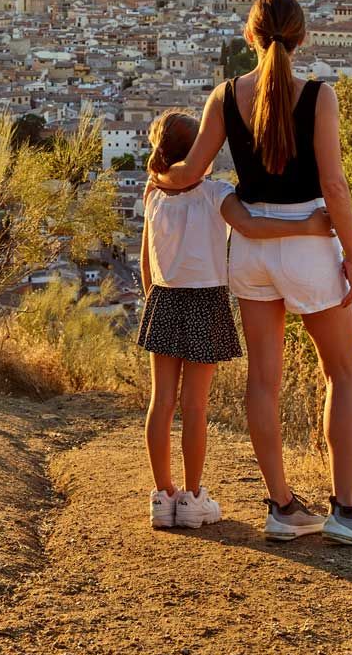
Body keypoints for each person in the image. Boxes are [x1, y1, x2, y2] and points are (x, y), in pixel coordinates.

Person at [153, 0, 352, 546]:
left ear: (250, 35)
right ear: (301, 37)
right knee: (341, 375)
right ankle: (345, 509)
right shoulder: (319, 97)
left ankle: (281, 505)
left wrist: (157, 176)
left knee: (263, 380)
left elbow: (190, 172)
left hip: (252, 245)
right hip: (307, 239)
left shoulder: (224, 96)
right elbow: (334, 185)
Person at [137, 107, 334, 531]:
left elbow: (144, 260)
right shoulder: (215, 193)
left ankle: (162, 496)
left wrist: (154, 299)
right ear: (200, 153)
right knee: (194, 406)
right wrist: (308, 225)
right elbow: (252, 226)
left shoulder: (152, 191)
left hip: (163, 298)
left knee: (161, 401)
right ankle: (192, 498)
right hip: (205, 300)